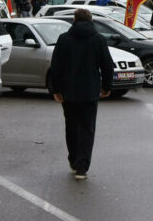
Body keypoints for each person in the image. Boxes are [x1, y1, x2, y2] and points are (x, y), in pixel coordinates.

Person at [49, 9, 114, 181]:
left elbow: (56, 66)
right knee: (87, 128)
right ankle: (82, 168)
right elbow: (108, 65)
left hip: (68, 91)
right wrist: (106, 87)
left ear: (74, 19)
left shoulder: (64, 39)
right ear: (91, 20)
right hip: (90, 91)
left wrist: (56, 90)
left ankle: (73, 159)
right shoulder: (98, 39)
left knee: (71, 126)